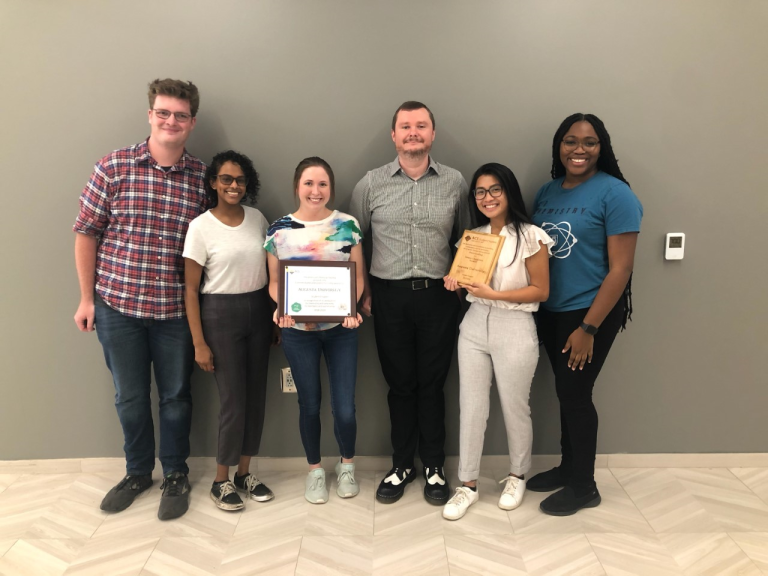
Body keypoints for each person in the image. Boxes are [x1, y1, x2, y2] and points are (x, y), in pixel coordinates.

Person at [73, 79, 206, 520]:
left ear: (192, 122)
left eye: (180, 115)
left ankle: (175, 474)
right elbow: (86, 233)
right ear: (150, 115)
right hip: (117, 308)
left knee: (176, 397)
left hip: (175, 314)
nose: (171, 121)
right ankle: (136, 473)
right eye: (163, 113)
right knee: (129, 397)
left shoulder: (203, 179)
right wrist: (85, 299)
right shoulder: (113, 167)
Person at [350, 101, 471, 505]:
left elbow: (466, 238)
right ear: (394, 135)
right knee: (400, 385)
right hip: (388, 299)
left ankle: (434, 466)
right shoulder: (371, 183)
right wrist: (363, 292)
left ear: (433, 134)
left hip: (439, 298)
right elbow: (353, 243)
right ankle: (402, 464)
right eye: (405, 126)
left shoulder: (455, 182)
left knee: (433, 385)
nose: (413, 132)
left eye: (421, 126)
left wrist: (460, 284)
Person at [528, 113, 643, 515]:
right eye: (570, 141)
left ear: (602, 147)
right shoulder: (547, 191)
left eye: (589, 142)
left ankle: (584, 485)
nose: (579, 149)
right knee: (565, 392)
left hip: (589, 313)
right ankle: (567, 467)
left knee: (576, 395)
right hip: (550, 311)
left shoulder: (617, 194)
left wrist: (588, 327)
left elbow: (621, 269)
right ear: (558, 146)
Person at [441, 163, 553, 521]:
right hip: (474, 325)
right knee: (471, 406)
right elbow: (467, 286)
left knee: (514, 406)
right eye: (480, 191)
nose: (487, 198)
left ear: (509, 192)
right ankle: (467, 485)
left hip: (516, 326)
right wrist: (455, 282)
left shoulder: (532, 236)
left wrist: (495, 294)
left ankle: (517, 475)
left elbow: (541, 290)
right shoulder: (472, 238)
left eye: (495, 190)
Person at [265, 157, 365, 504]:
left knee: (345, 408)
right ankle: (315, 472)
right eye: (308, 183)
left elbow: (359, 276)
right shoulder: (278, 230)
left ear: (330, 188)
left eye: (322, 184)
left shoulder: (348, 225)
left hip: (342, 331)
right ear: (297, 186)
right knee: (308, 405)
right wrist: (282, 307)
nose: (315, 190)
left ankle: (347, 466)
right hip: (297, 332)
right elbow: (275, 282)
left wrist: (350, 310)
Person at [183, 150, 274, 511]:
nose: (234, 186)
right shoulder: (200, 227)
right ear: (213, 183)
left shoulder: (258, 219)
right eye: (226, 179)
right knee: (233, 401)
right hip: (219, 315)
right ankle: (220, 480)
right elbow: (190, 289)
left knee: (256, 398)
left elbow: (270, 271)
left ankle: (244, 473)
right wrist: (198, 343)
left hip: (259, 311)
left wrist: (274, 316)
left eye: (240, 180)